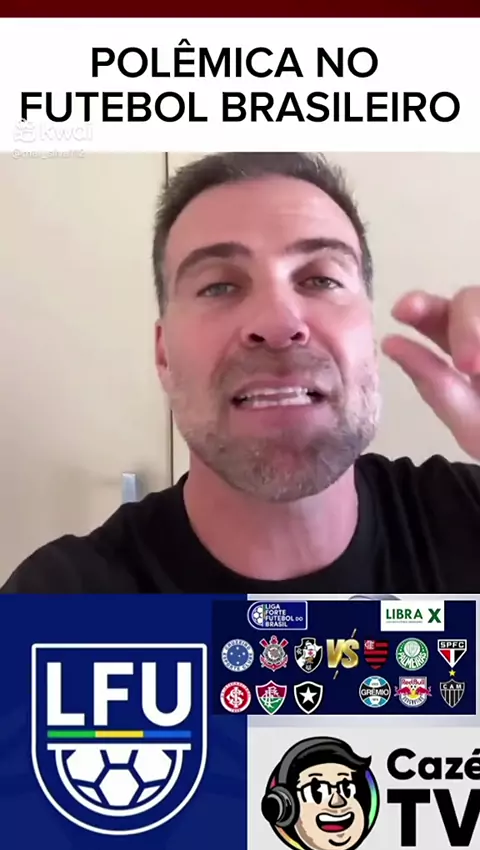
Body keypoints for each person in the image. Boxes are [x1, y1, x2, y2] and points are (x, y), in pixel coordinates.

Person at [2, 151, 480, 594]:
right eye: (219, 286)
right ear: (164, 354)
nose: (278, 324)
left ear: (369, 339)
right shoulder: (58, 603)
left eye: (320, 279)